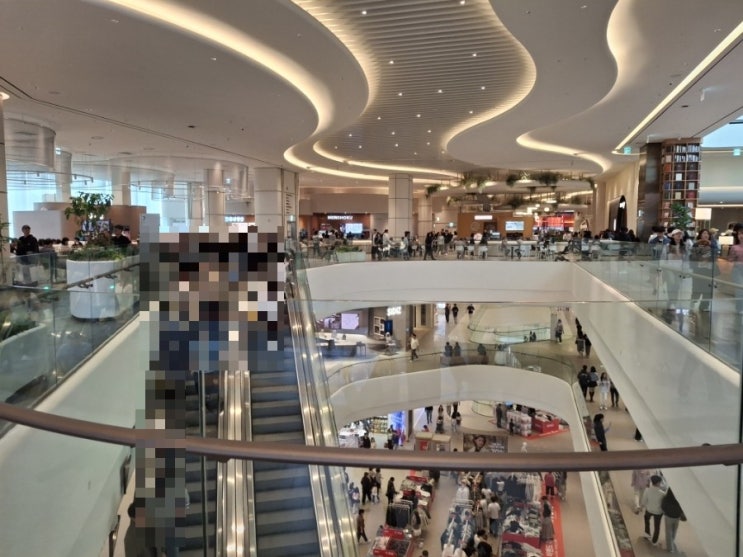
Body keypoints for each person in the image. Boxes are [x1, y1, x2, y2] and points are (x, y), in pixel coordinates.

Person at [690, 228, 714, 311]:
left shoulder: (712, 244)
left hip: (708, 269)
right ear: (700, 235)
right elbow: (693, 256)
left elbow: (715, 255)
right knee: (696, 286)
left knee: (708, 288)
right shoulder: (696, 244)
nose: (706, 235)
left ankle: (704, 306)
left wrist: (711, 245)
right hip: (698, 269)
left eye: (707, 233)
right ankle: (693, 302)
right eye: (704, 233)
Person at [642, 475, 666, 546]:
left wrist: (642, 507)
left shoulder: (647, 490)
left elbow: (644, 501)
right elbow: (663, 504)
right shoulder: (662, 493)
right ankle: (654, 541)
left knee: (646, 520)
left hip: (649, 510)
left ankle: (647, 534)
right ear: (658, 483)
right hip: (658, 512)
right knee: (657, 526)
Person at [662, 487, 686, 553]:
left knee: (668, 532)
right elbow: (683, 509)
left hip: (668, 517)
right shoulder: (680, 499)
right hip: (677, 517)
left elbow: (663, 507)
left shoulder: (666, 499)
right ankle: (672, 540)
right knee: (674, 530)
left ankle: (670, 548)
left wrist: (666, 512)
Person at [727, 227, 743, 314]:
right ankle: (740, 308)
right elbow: (730, 260)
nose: (741, 236)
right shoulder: (734, 247)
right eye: (740, 234)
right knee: (739, 290)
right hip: (737, 270)